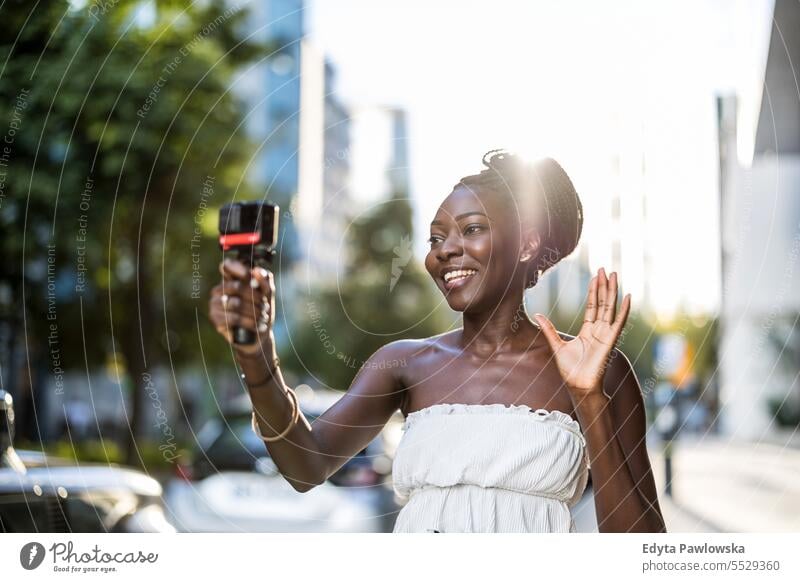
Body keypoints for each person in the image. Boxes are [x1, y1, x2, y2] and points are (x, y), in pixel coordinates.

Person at [208, 149, 667, 533]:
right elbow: (303, 465)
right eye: (436, 237)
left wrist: (590, 402)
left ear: (526, 245)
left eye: (471, 229)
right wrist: (256, 353)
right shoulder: (405, 364)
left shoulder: (598, 370)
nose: (443, 250)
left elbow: (644, 553)